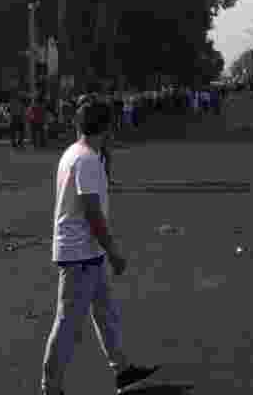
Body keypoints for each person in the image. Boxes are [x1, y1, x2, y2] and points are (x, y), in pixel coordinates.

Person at [41, 100, 158, 395]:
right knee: (68, 322)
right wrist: (114, 251)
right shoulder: (88, 160)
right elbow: (92, 211)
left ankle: (122, 370)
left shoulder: (74, 153)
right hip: (80, 252)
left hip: (85, 251)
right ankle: (50, 387)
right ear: (106, 128)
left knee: (105, 313)